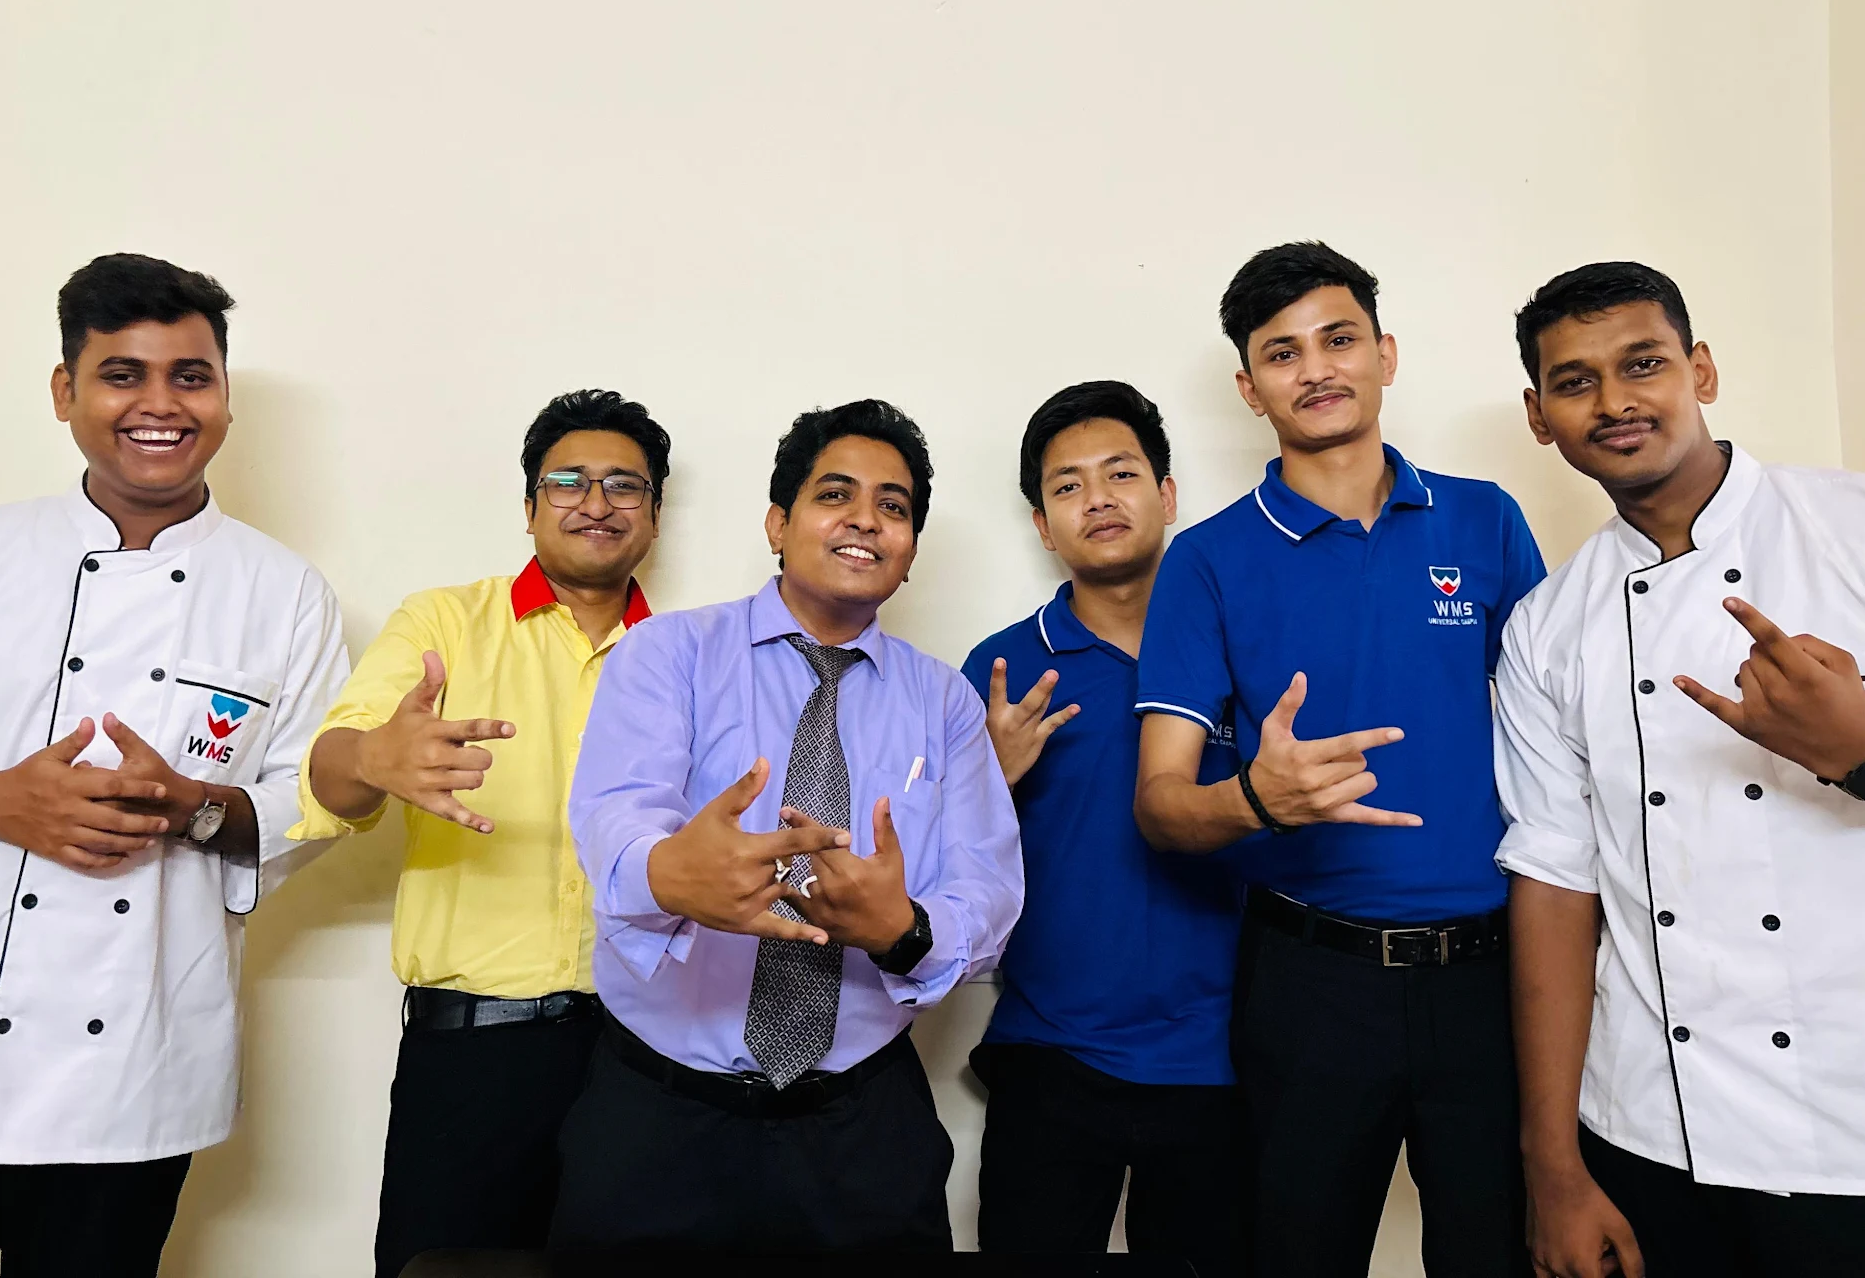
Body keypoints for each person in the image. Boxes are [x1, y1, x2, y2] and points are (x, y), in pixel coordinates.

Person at [0, 254, 348, 1278]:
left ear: (224, 396)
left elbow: (311, 802)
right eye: (121, 373)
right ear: (65, 391)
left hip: (127, 1079)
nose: (160, 404)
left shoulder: (283, 594)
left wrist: (192, 807)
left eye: (191, 376)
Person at [1132, 241, 1546, 1278]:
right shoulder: (1206, 558)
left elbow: (1561, 740)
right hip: (1309, 981)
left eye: (1338, 339)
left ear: (1384, 353)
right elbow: (1160, 804)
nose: (1315, 368)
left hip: (1489, 975)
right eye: (1282, 353)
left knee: (1497, 1252)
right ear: (1249, 388)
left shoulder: (1486, 519)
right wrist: (1254, 799)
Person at [552, 399, 1023, 1251]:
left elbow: (988, 888)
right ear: (778, 523)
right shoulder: (668, 653)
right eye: (834, 494)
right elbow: (614, 813)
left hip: (863, 1123)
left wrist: (904, 931)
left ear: (910, 550)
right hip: (660, 1115)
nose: (865, 519)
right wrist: (670, 873)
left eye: (892, 506)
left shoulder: (944, 700)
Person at [1497, 262, 1865, 1278]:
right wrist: (1551, 1166)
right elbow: (1555, 886)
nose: (1613, 401)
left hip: (1848, 1121)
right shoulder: (1545, 627)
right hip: (1652, 1130)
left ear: (1700, 370)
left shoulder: (1847, 527)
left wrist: (1856, 752)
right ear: (1538, 416)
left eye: (1642, 364)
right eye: (1574, 382)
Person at [291, 390, 670, 1274]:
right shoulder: (443, 623)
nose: (596, 501)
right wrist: (374, 756)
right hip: (473, 1057)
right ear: (530, 505)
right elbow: (329, 772)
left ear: (653, 514)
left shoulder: (688, 655)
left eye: (625, 485)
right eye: (568, 481)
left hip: (645, 1063)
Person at [961, 380, 1247, 1269]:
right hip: (1050, 1052)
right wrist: (983, 780)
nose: (1097, 499)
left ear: (1167, 494)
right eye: (1068, 485)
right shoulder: (1001, 670)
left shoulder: (1241, 650)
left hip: (1228, 1055)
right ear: (1043, 526)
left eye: (1120, 473)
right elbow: (939, 863)